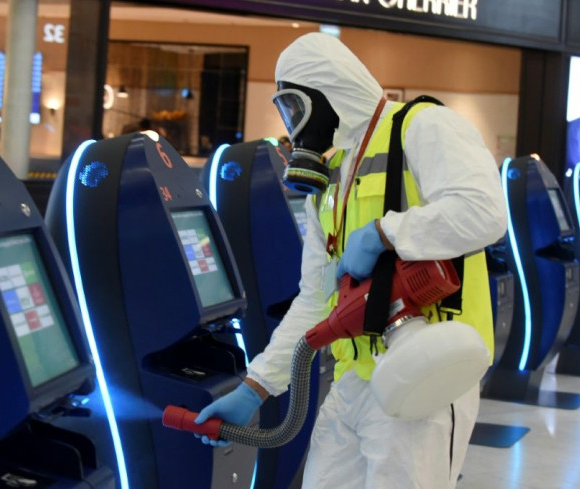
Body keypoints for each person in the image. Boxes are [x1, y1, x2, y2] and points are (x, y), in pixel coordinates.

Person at [194, 33, 507, 489]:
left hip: (427, 375)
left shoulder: (423, 126)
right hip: (354, 381)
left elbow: (484, 212)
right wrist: (255, 386)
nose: (293, 125)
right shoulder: (331, 178)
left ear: (327, 91)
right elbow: (316, 300)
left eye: (294, 107)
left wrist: (386, 233)